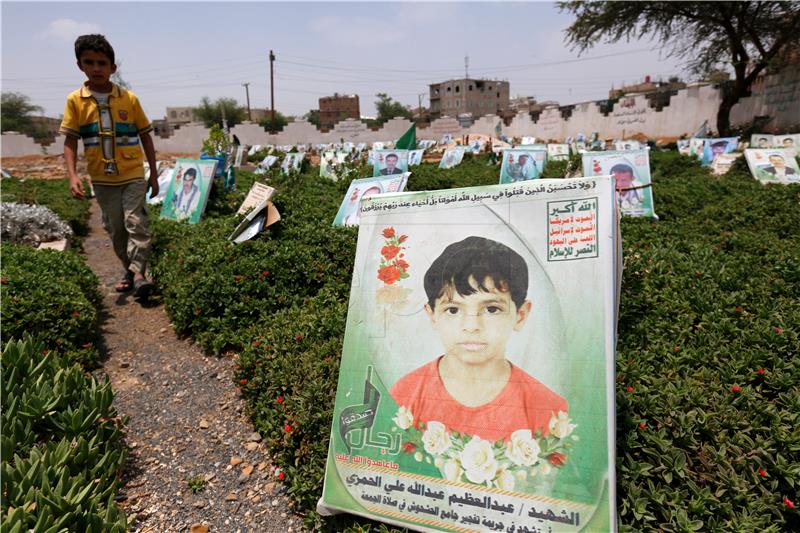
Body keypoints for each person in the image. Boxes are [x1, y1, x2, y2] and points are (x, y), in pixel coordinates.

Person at [390, 236, 568, 443]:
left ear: (520, 315)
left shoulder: (551, 412)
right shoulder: (402, 397)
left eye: (492, 309)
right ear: (433, 315)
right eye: (453, 310)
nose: (472, 326)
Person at [61, 34, 157, 298]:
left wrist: (154, 173)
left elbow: (146, 136)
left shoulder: (129, 99)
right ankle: (129, 270)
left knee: (135, 222)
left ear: (113, 68)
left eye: (102, 63)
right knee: (115, 229)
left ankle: (139, 273)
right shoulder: (75, 101)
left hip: (133, 174)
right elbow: (70, 141)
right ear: (80, 65)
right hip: (102, 180)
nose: (96, 68)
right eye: (89, 62)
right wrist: (72, 175)